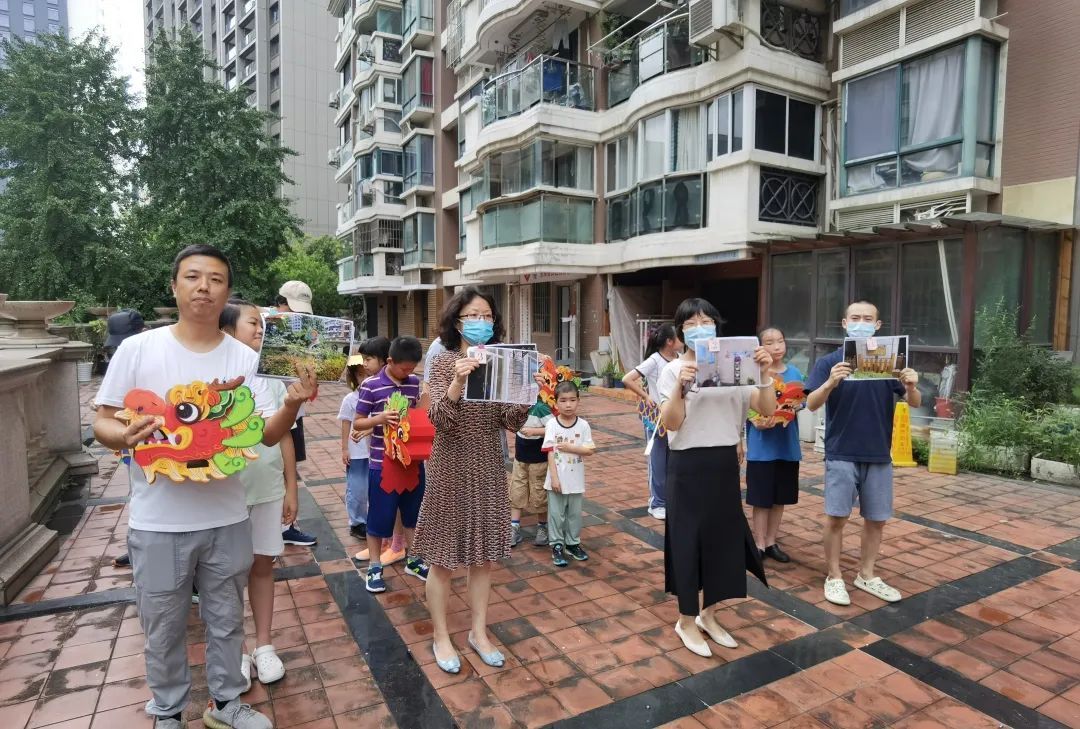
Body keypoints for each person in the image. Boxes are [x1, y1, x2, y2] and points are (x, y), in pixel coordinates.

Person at [93, 244, 317, 729]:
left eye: (215, 279)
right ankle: (168, 710)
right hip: (158, 520)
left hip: (228, 517)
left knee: (226, 619)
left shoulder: (246, 358)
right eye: (193, 276)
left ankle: (227, 702)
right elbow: (103, 420)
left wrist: (292, 404)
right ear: (174, 286)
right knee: (162, 625)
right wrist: (124, 436)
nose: (204, 287)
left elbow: (265, 435)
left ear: (227, 291)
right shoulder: (139, 350)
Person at [412, 286, 541, 674]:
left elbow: (510, 421)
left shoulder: (501, 361)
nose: (481, 322)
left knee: (483, 558)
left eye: (487, 316)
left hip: (487, 463)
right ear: (457, 322)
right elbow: (439, 420)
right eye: (473, 316)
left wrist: (527, 396)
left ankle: (478, 632)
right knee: (443, 558)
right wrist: (457, 382)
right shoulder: (443, 361)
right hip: (449, 467)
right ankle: (441, 635)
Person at [658, 298, 774, 658]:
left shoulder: (734, 363)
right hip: (687, 464)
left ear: (716, 326)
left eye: (705, 321)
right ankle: (686, 620)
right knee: (687, 541)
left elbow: (766, 409)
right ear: (680, 333)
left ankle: (708, 614)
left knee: (722, 541)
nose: (699, 328)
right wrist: (680, 388)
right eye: (690, 324)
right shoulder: (673, 370)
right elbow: (671, 422)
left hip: (724, 463)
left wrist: (766, 374)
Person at [806, 300, 921, 607]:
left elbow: (914, 401)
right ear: (844, 324)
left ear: (878, 326)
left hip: (879, 453)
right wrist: (830, 383)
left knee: (877, 519)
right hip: (841, 451)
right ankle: (834, 576)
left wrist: (911, 386)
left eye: (868, 319)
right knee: (836, 517)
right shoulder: (829, 362)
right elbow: (811, 404)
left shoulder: (889, 360)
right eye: (855, 318)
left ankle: (866, 574)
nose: (861, 323)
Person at [220, 299, 296, 690]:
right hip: (224, 491)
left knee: (263, 565)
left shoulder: (271, 378)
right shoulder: (212, 378)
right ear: (228, 330)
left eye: (262, 323)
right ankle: (236, 650)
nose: (261, 328)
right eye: (253, 322)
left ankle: (264, 645)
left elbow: (284, 436)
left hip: (267, 487)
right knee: (227, 573)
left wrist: (291, 487)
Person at [352, 336, 431, 593]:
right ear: (389, 361)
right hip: (382, 463)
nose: (408, 373)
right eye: (404, 368)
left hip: (411, 462)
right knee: (379, 517)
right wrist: (380, 419)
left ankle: (414, 559)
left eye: (412, 369)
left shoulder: (413, 383)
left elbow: (415, 416)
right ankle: (375, 566)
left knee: (412, 514)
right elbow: (358, 422)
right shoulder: (370, 386)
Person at [745, 327, 804, 564]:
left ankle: (771, 542)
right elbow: (746, 404)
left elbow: (801, 399)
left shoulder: (795, 373)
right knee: (761, 499)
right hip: (761, 448)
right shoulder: (753, 374)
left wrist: (797, 406)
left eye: (780, 341)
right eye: (769, 342)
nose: (776, 346)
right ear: (759, 347)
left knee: (780, 497)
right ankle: (759, 543)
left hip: (787, 447)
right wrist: (755, 419)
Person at [349, 337, 408, 565]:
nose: (364, 363)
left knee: (397, 505)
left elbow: (400, 419)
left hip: (398, 456)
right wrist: (369, 428)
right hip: (380, 454)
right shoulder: (372, 384)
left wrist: (372, 425)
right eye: (363, 359)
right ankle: (384, 543)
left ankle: (397, 545)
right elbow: (379, 420)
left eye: (369, 359)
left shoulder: (400, 384)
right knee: (381, 503)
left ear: (386, 360)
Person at [622, 323, 681, 521]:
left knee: (673, 461)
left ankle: (670, 500)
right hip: (656, 419)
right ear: (669, 342)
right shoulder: (655, 360)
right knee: (657, 462)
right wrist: (646, 396)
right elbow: (627, 379)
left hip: (675, 416)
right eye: (678, 336)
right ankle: (657, 503)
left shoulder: (680, 359)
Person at [274, 281, 317, 548]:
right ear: (279, 304)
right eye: (291, 310)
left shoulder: (303, 335)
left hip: (294, 412)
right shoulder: (262, 328)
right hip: (269, 412)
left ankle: (286, 525)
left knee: (288, 467)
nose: (295, 317)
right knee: (273, 466)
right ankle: (277, 525)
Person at [105, 308, 147, 569]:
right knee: (136, 490)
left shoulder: (152, 354)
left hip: (154, 441)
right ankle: (136, 547)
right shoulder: (121, 356)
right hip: (128, 440)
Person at [543, 381, 596, 567]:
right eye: (563, 400)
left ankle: (573, 543)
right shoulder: (552, 424)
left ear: (578, 401)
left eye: (572, 400)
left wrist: (571, 448)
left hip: (575, 480)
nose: (568, 405)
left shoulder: (583, 425)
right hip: (556, 480)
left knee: (574, 514)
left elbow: (590, 450)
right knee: (556, 515)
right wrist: (554, 478)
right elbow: (550, 452)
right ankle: (557, 545)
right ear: (556, 402)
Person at [509, 399, 554, 548]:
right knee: (517, 491)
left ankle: (542, 526)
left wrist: (535, 431)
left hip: (538, 461)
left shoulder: (540, 408)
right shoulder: (516, 407)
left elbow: (555, 428)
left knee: (539, 493)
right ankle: (514, 527)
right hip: (520, 459)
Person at [340, 348, 374, 540]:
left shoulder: (378, 395)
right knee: (357, 488)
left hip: (376, 451)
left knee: (374, 488)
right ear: (354, 377)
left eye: (368, 374)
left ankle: (373, 520)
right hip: (357, 452)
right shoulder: (350, 399)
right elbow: (346, 423)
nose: (365, 379)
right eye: (360, 375)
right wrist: (345, 449)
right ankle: (357, 522)